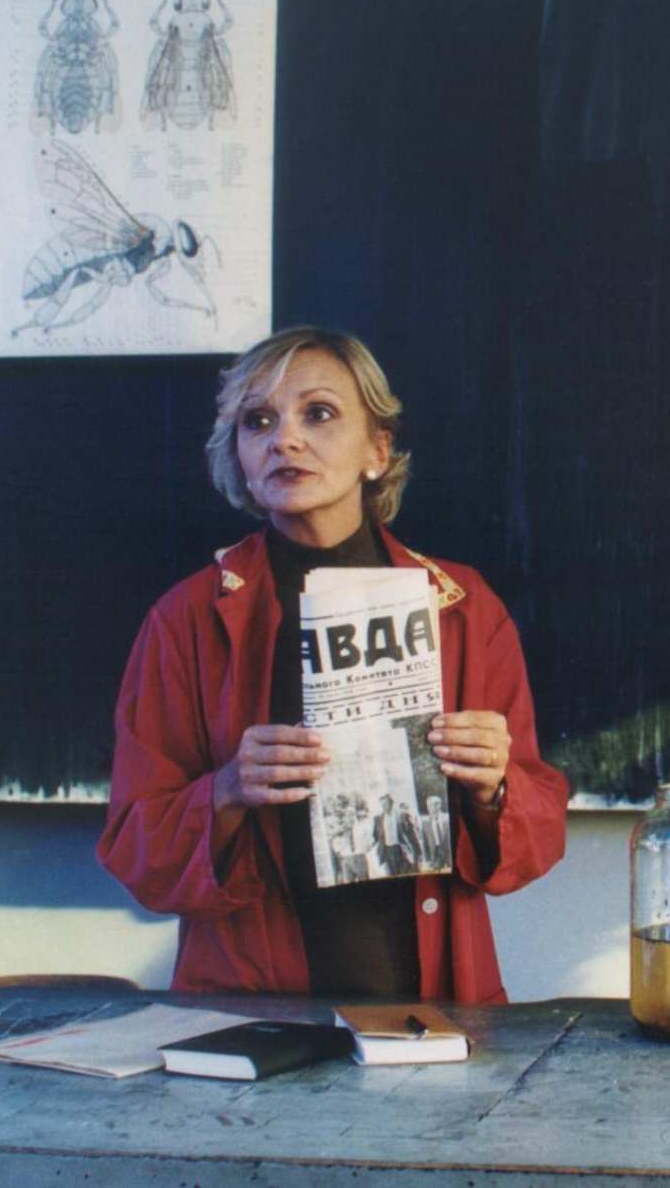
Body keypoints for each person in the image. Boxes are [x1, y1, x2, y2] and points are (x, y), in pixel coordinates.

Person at [99, 326, 569, 1001]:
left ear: (377, 449)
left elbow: (538, 839)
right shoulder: (185, 620)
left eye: (318, 413)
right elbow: (135, 851)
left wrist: (494, 786)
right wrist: (225, 790)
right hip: (251, 1006)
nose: (284, 440)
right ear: (238, 454)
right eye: (258, 421)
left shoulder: (463, 608)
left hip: (432, 1002)